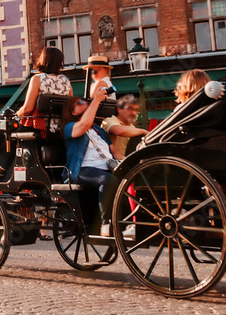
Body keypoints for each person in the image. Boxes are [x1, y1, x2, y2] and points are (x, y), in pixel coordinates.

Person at [63, 89, 120, 235]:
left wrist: (129, 162)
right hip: (83, 169)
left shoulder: (98, 130)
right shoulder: (69, 127)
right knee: (107, 180)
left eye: (84, 101)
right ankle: (105, 223)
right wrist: (96, 100)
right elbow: (83, 125)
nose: (84, 104)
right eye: (79, 103)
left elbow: (114, 151)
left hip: (106, 166)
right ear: (73, 113)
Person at [17, 47, 73, 131]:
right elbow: (70, 108)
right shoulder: (67, 81)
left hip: (41, 128)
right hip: (61, 129)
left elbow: (28, 109)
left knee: (3, 127)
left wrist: (17, 113)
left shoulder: (37, 79)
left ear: (43, 60)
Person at [101, 95, 147, 161]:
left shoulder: (133, 128)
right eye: (129, 108)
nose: (133, 112)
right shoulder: (109, 120)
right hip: (113, 162)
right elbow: (118, 131)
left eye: (136, 110)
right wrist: (144, 131)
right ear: (119, 109)